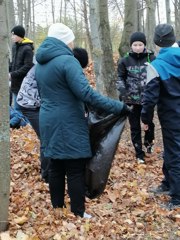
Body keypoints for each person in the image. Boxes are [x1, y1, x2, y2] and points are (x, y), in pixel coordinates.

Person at [35, 23, 130, 218]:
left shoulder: (41, 62)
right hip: (68, 120)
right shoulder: (67, 61)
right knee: (75, 167)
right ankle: (78, 212)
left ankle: (58, 209)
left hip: (48, 119)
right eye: (71, 40)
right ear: (64, 40)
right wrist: (118, 107)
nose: (72, 44)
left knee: (56, 165)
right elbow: (85, 93)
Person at [16, 47, 90, 182]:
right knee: (47, 138)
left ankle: (55, 171)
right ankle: (48, 175)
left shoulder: (61, 63)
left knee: (53, 136)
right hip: (30, 103)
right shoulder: (58, 65)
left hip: (41, 102)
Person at [141, 23, 180, 210]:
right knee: (172, 150)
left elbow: (149, 99)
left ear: (156, 41)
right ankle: (167, 182)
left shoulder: (155, 66)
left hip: (172, 118)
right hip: (173, 115)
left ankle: (177, 196)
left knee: (174, 153)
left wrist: (145, 120)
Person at [116, 32, 156, 164]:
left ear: (144, 45)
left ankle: (148, 143)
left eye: (140, 44)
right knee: (135, 127)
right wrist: (123, 91)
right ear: (131, 46)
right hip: (131, 100)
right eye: (135, 45)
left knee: (148, 124)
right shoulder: (124, 60)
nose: (138, 47)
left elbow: (156, 77)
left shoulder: (152, 58)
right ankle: (139, 153)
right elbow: (120, 78)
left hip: (147, 100)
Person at [9, 25, 34, 110]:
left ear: (19, 35)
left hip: (23, 84)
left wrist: (12, 74)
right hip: (14, 83)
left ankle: (22, 123)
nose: (12, 37)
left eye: (13, 35)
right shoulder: (14, 47)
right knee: (15, 108)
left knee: (19, 108)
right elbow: (13, 63)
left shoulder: (27, 48)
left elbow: (28, 66)